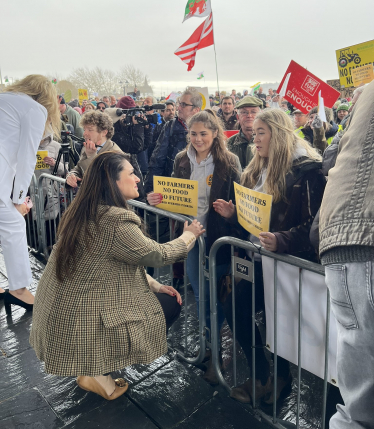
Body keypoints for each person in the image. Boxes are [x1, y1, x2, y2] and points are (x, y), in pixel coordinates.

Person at [30, 151, 204, 400]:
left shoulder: (84, 209)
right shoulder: (114, 221)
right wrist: (189, 234)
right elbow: (159, 255)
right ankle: (98, 372)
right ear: (113, 181)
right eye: (131, 173)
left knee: (161, 298)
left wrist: (154, 284)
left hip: (62, 310)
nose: (137, 179)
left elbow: (120, 260)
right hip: (82, 317)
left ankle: (95, 367)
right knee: (168, 307)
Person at [214, 109, 326, 404]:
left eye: (261, 131)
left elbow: (316, 224)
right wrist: (234, 215)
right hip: (257, 258)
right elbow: (255, 221)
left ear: (277, 133)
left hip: (289, 264)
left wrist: (282, 240)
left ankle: (278, 379)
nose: (254, 136)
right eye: (255, 132)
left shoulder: (307, 170)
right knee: (234, 305)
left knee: (280, 322)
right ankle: (264, 374)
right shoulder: (256, 167)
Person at [148, 110, 241, 385]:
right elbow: (175, 196)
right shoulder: (180, 159)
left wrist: (231, 213)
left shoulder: (229, 161)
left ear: (215, 134)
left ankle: (220, 348)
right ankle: (209, 348)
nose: (198, 139)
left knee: (218, 296)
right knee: (200, 295)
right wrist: (157, 199)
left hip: (218, 239)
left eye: (204, 133)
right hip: (189, 238)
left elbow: (240, 201)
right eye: (193, 133)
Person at [319, 80, 374, 428]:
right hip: (361, 234)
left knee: (357, 408)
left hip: (342, 240)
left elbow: (329, 158)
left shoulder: (365, 92)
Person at [0, 75, 61, 310]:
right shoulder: (34, 109)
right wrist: (18, 200)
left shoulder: (5, 99)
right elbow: (28, 159)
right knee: (14, 225)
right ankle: (18, 289)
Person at [144, 88, 202, 193]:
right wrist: (150, 190)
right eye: (179, 104)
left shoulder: (206, 128)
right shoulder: (170, 126)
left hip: (199, 189)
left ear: (196, 110)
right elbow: (157, 160)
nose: (178, 108)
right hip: (174, 189)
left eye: (184, 105)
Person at [226, 96, 263, 169]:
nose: (249, 115)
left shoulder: (267, 141)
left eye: (253, 112)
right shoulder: (229, 144)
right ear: (238, 117)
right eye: (244, 112)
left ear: (261, 115)